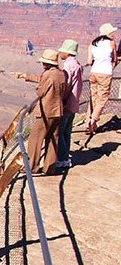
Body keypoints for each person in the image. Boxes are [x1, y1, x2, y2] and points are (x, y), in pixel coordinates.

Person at [15, 49, 67, 175]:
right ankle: (50, 167)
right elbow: (43, 79)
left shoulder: (48, 75)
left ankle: (32, 167)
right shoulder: (61, 74)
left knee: (35, 139)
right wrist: (25, 76)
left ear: (49, 63)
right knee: (52, 138)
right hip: (58, 111)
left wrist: (38, 88)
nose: (43, 64)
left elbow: (40, 92)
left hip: (46, 112)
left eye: (44, 62)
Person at [55, 39, 83, 168]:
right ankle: (65, 158)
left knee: (60, 132)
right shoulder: (76, 64)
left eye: (62, 51)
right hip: (74, 102)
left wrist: (61, 100)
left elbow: (66, 85)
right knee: (67, 131)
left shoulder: (68, 66)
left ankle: (62, 160)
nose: (60, 52)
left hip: (67, 103)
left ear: (67, 52)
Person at [86, 23, 118, 134]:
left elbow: (89, 61)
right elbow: (114, 59)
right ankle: (93, 120)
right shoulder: (112, 43)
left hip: (93, 72)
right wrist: (110, 67)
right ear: (109, 33)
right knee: (102, 98)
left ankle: (89, 123)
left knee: (93, 97)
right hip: (105, 73)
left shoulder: (92, 43)